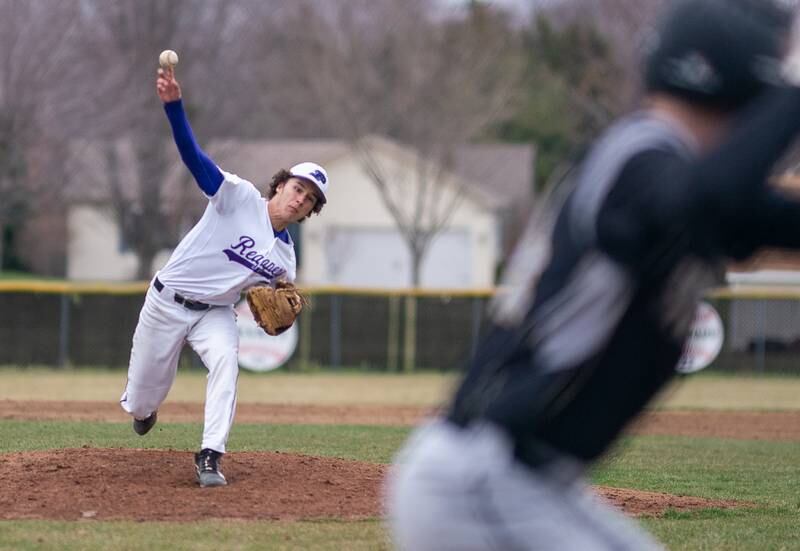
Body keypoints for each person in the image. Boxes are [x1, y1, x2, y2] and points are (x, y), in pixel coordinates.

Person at [386, 0, 800, 548]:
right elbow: (709, 199)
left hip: (529, 482)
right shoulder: (639, 156)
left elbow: (759, 215)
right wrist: (791, 91)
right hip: (483, 478)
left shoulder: (674, 178)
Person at [119, 64, 329, 487]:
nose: (300, 198)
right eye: (297, 188)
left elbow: (277, 308)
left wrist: (282, 317)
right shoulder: (236, 196)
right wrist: (174, 107)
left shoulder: (286, 261)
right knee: (143, 400)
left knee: (226, 365)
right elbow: (193, 158)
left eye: (309, 199)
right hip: (166, 300)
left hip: (215, 314)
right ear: (281, 184)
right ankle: (144, 411)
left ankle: (210, 456)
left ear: (310, 211)